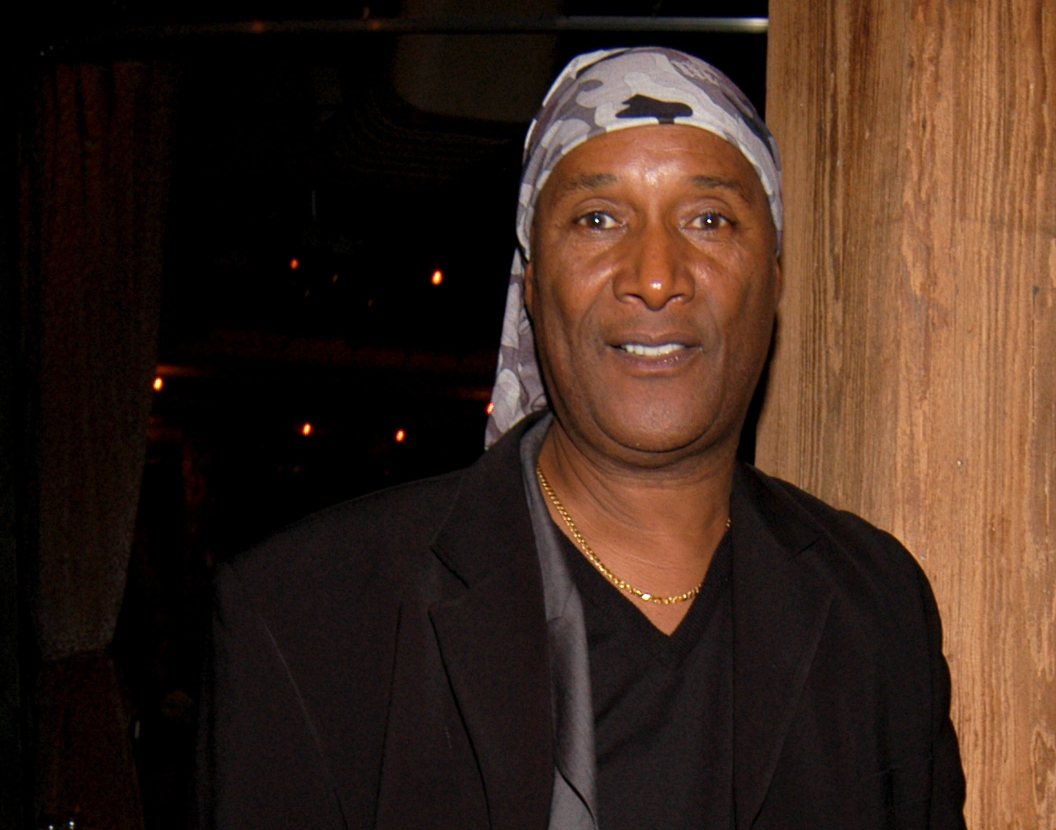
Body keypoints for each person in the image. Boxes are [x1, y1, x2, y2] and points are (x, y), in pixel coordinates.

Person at [194, 47, 966, 829]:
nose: (655, 276)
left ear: (773, 276)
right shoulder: (310, 617)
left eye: (708, 219)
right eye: (598, 219)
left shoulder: (877, 605)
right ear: (531, 282)